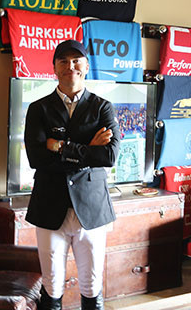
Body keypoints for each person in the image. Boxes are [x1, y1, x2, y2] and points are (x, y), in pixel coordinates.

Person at [24, 40, 120, 310]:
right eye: (63, 61)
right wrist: (89, 150)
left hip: (92, 208)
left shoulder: (103, 108)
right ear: (54, 68)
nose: (70, 66)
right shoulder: (38, 109)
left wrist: (61, 147)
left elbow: (110, 156)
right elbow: (37, 158)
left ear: (86, 66)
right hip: (49, 205)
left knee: (91, 286)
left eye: (77, 60)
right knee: (51, 286)